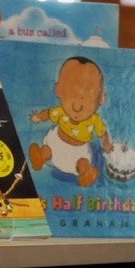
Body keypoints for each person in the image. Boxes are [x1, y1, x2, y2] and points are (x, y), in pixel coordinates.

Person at [28, 56, 113, 187]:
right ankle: (40, 157)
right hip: (56, 142)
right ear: (58, 90)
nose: (77, 107)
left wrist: (106, 144)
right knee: (47, 150)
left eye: (85, 99)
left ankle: (85, 173)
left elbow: (102, 133)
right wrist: (38, 117)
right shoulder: (61, 112)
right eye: (71, 95)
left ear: (101, 99)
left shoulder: (95, 120)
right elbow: (49, 114)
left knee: (83, 162)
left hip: (78, 151)